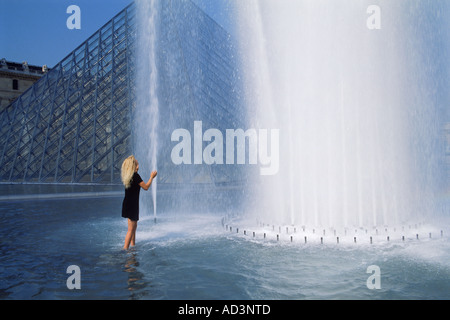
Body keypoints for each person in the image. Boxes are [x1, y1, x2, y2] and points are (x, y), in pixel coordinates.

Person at [121, 155, 157, 250]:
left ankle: (133, 245)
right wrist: (151, 177)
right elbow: (146, 187)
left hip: (127, 203)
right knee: (130, 229)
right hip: (132, 204)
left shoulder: (128, 176)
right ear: (134, 165)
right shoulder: (135, 176)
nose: (139, 164)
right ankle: (125, 249)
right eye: (137, 163)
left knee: (134, 225)